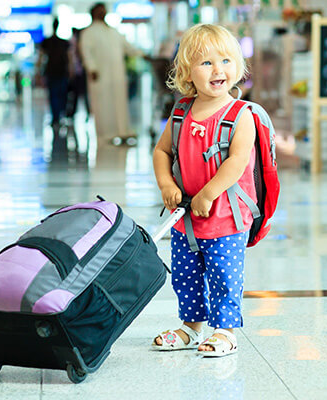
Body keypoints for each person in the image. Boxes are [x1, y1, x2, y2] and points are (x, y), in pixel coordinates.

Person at [151, 24, 255, 357]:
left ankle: (225, 330)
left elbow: (237, 162)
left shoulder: (240, 115)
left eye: (225, 60)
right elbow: (162, 151)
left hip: (225, 215)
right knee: (186, 275)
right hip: (187, 218)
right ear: (187, 72)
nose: (218, 70)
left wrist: (209, 193)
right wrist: (167, 184)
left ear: (238, 66)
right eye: (206, 63)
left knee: (224, 275)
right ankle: (191, 327)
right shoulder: (181, 112)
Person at [79, 3, 144, 147]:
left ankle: (122, 131)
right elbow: (86, 52)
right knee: (103, 104)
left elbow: (128, 47)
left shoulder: (113, 31)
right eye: (99, 10)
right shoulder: (89, 32)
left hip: (117, 75)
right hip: (100, 76)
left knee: (120, 103)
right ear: (93, 13)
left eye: (104, 10)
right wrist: (92, 68)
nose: (102, 12)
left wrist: (142, 54)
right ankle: (105, 134)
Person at [37, 18, 71, 129]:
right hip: (61, 71)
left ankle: (56, 117)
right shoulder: (64, 42)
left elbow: (41, 57)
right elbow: (69, 58)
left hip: (52, 71)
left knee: (54, 95)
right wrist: (71, 70)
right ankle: (59, 116)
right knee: (61, 95)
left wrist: (38, 71)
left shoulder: (47, 41)